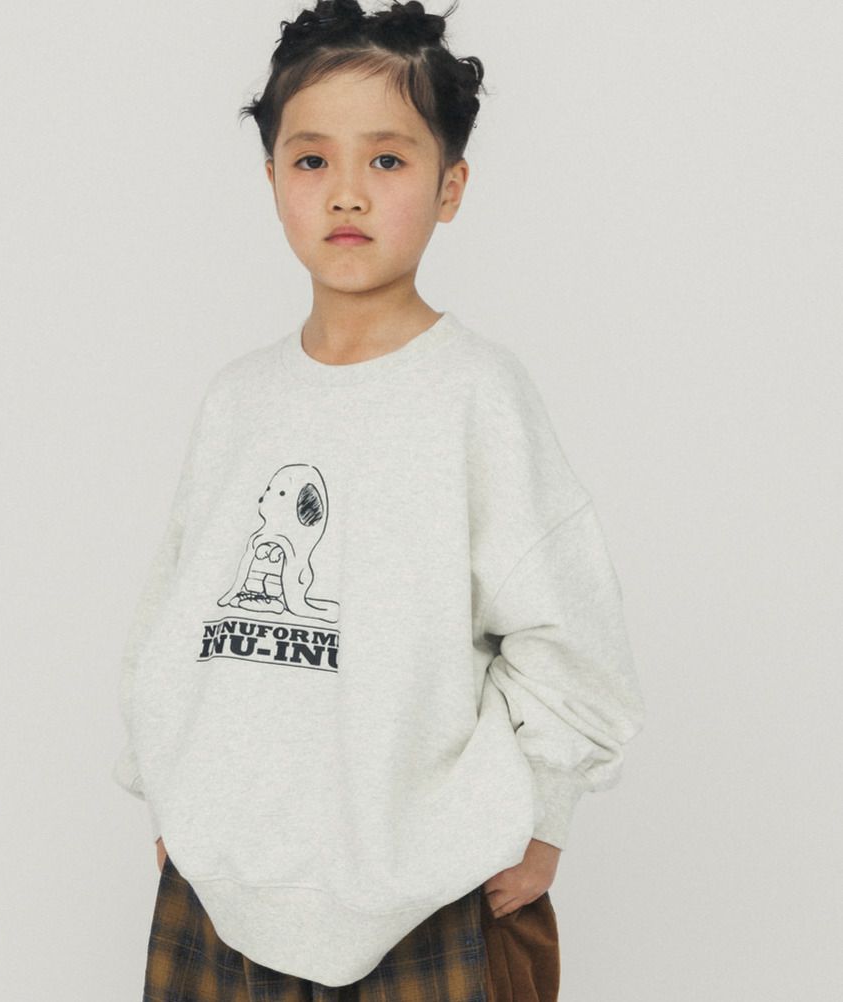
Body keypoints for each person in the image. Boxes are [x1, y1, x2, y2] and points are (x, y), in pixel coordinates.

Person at [112, 1, 646, 999]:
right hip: (223, 891)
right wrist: (173, 798)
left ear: (451, 188)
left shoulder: (477, 396)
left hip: (427, 892)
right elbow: (172, 624)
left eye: (389, 160)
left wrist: (542, 817)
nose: (347, 192)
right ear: (272, 179)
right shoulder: (239, 400)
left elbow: (571, 638)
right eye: (312, 160)